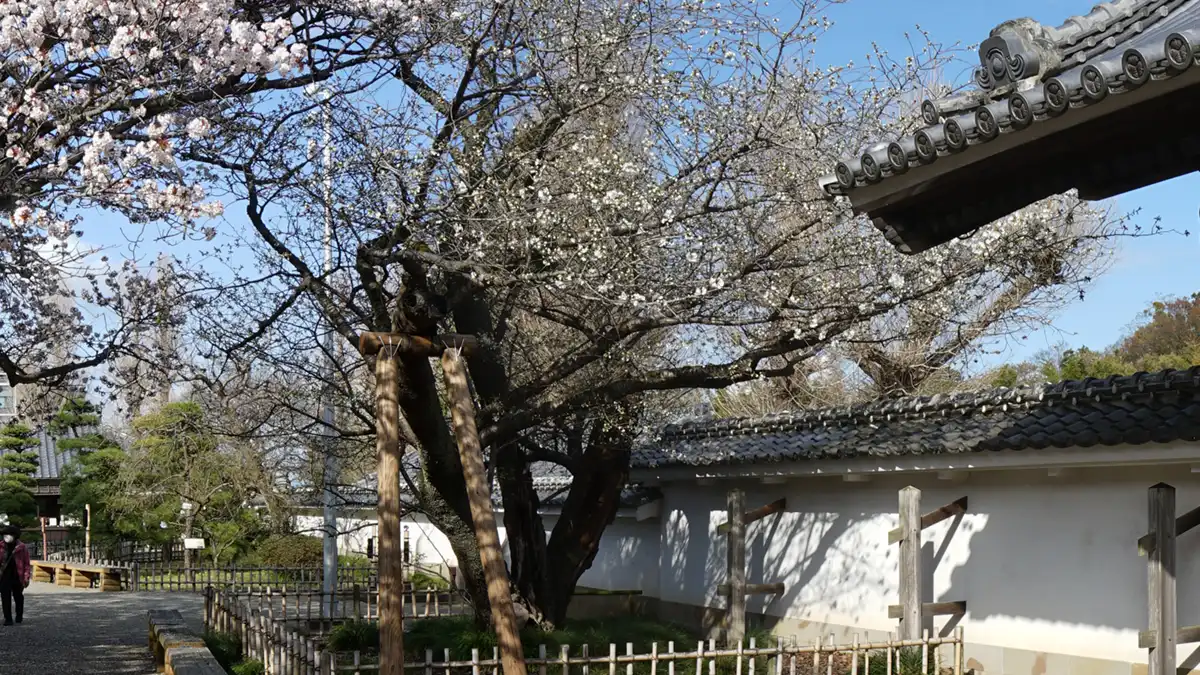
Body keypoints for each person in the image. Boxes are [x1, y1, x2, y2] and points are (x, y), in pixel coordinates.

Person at [0, 524, 31, 625]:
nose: (7, 536)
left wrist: (26, 576)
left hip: (18, 576)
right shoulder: (0, 546)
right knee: (5, 598)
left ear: (15, 536)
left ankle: (19, 615)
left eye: (9, 534)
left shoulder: (22, 547)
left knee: (18, 597)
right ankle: (8, 619)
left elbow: (27, 563)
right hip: (4, 576)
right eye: (5, 534)